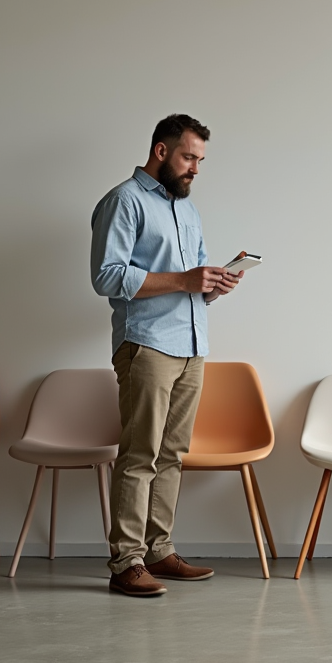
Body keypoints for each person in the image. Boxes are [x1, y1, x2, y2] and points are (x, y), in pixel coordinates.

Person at [90, 114, 244, 597]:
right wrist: (184, 280)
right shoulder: (123, 201)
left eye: (200, 159)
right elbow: (107, 277)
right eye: (189, 157)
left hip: (192, 344)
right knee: (140, 455)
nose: (196, 167)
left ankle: (158, 550)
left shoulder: (187, 209)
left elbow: (190, 282)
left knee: (172, 454)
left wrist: (214, 286)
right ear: (162, 151)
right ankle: (125, 562)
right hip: (148, 345)